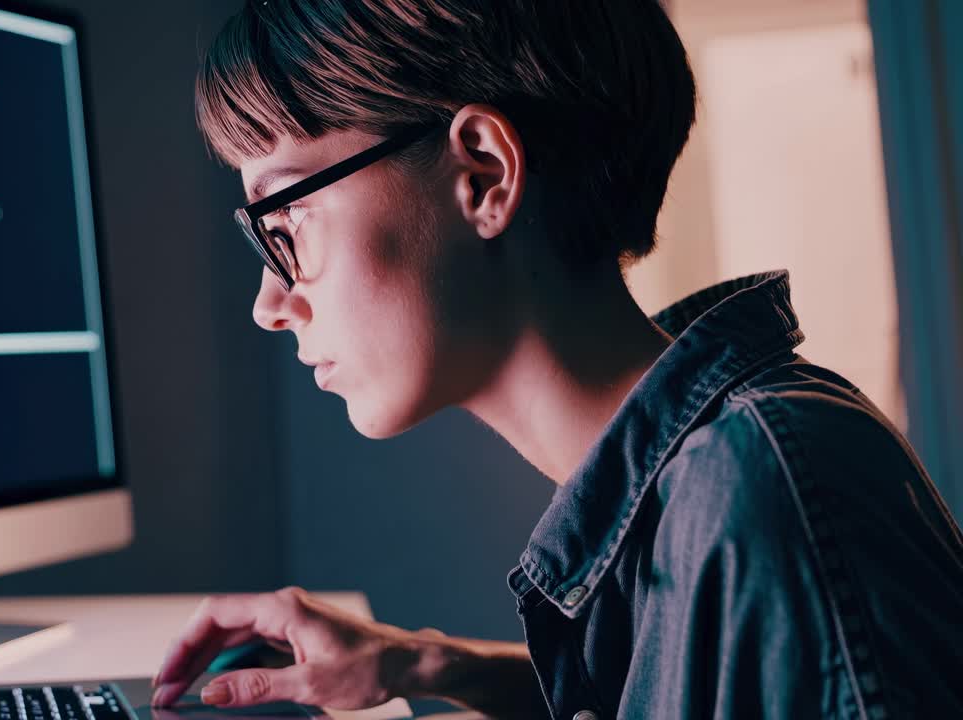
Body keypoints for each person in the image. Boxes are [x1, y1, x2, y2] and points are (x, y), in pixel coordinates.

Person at [151, 1, 963, 717]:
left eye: (284, 225)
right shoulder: (705, 481)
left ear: (484, 174)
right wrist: (429, 664)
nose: (268, 303)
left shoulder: (754, 491)